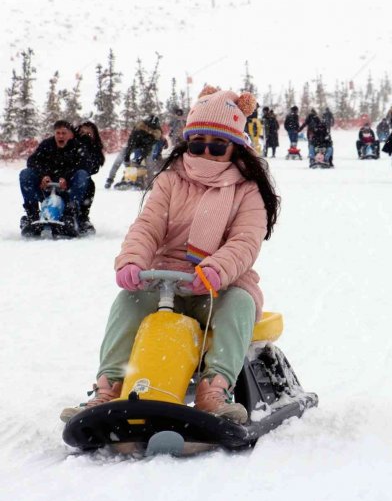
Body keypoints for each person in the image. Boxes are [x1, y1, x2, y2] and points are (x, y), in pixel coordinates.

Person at [60, 87, 280, 425]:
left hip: (218, 286)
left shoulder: (247, 189)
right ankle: (109, 387)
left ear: (235, 146)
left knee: (238, 304)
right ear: (187, 142)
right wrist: (133, 260)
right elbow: (148, 226)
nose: (207, 151)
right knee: (127, 302)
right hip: (164, 280)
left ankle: (214, 390)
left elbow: (245, 241)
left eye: (217, 144)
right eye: (198, 143)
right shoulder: (170, 180)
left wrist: (217, 268)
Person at [19, 120, 94, 235]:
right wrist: (43, 175)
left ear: (70, 134)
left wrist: (66, 178)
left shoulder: (78, 147)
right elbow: (33, 161)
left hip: (69, 191)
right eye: (58, 133)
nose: (60, 136)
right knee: (25, 174)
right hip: (46, 188)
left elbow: (86, 165)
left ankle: (71, 215)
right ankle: (32, 215)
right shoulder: (46, 145)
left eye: (64, 133)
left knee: (83, 175)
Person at [105, 115, 163, 188]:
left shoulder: (156, 133)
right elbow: (131, 141)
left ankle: (150, 183)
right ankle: (110, 178)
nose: (149, 129)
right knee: (120, 158)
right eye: (148, 127)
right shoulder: (139, 128)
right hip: (134, 145)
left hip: (145, 148)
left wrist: (141, 158)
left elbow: (148, 147)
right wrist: (127, 155)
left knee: (149, 162)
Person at [73, 121, 106, 233]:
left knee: (89, 184)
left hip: (81, 177)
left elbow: (93, 167)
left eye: (88, 134)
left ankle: (82, 216)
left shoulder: (94, 149)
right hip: (64, 174)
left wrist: (87, 145)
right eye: (82, 133)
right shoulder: (71, 144)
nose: (84, 136)